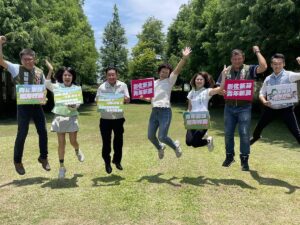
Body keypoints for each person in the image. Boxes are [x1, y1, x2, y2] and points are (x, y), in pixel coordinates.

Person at [0, 35, 51, 175]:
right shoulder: (16, 68)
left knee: (43, 131)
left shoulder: (40, 72)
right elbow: (1, 60)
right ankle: (17, 161)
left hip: (37, 106)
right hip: (23, 107)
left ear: (34, 59)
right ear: (21, 60)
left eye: (30, 59)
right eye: (25, 59)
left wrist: (44, 99)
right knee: (22, 133)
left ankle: (43, 157)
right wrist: (0, 44)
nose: (28, 61)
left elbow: (42, 90)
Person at [218, 46, 267, 171]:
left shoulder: (249, 69)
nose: (237, 61)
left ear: (243, 58)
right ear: (231, 59)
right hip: (229, 107)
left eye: (239, 59)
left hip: (244, 107)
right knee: (228, 133)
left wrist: (257, 51)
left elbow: (264, 67)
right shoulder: (226, 71)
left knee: (244, 133)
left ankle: (244, 160)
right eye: (235, 59)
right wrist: (221, 92)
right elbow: (219, 89)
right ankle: (229, 157)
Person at [141, 47, 192, 159]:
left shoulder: (170, 81)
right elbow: (150, 99)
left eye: (167, 72)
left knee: (162, 136)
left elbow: (177, 70)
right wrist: (143, 98)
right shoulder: (152, 83)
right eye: (163, 71)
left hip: (165, 111)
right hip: (154, 111)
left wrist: (184, 58)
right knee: (150, 136)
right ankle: (160, 148)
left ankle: (175, 147)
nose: (165, 73)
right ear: (159, 72)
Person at [45, 62, 85, 179]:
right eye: (65, 75)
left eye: (69, 75)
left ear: (73, 77)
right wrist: (50, 69)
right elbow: (47, 83)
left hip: (71, 117)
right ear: (62, 77)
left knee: (73, 142)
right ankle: (62, 167)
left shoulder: (77, 88)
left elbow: (78, 103)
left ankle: (77, 150)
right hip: (59, 117)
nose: (67, 77)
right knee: (61, 144)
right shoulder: (57, 86)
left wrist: (74, 106)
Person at [250, 54, 300, 145]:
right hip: (271, 108)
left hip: (287, 109)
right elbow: (262, 93)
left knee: (297, 133)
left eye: (279, 63)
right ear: (271, 65)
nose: (277, 66)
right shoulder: (268, 79)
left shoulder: (290, 75)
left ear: (283, 64)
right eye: (275, 64)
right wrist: (264, 101)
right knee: (259, 127)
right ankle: (256, 137)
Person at [96, 67, 130, 174]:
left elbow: (127, 99)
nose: (111, 77)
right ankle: (107, 162)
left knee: (118, 142)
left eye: (113, 74)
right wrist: (101, 101)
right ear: (106, 76)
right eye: (109, 75)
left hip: (118, 119)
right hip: (105, 119)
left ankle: (117, 161)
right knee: (106, 143)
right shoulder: (101, 87)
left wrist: (125, 99)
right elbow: (97, 100)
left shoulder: (123, 85)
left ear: (117, 75)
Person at [185, 70, 226, 150]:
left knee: (195, 143)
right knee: (188, 142)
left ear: (204, 81)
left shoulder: (207, 91)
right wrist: (187, 115)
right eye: (197, 79)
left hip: (203, 120)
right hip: (192, 120)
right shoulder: (191, 93)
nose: (199, 81)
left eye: (201, 79)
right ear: (194, 80)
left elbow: (221, 88)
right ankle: (206, 138)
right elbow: (189, 107)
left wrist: (223, 76)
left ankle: (208, 140)